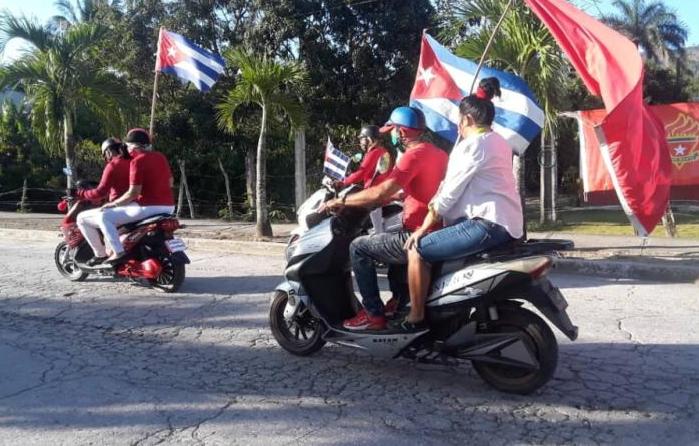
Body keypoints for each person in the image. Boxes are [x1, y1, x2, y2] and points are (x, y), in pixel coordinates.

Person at [399, 77, 523, 331]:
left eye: (459, 119)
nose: (457, 124)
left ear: (466, 119)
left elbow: (448, 195)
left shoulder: (473, 146)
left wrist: (423, 229)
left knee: (417, 249)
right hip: (505, 222)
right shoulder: (498, 142)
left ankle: (416, 315)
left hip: (486, 223)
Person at [322, 106, 448, 331]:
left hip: (418, 233)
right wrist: (398, 195)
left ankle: (373, 314)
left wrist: (339, 202)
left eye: (391, 130)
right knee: (388, 237)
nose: (388, 135)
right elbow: (420, 188)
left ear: (400, 132)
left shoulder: (411, 156)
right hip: (436, 229)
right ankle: (399, 300)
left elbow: (381, 190)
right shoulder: (438, 153)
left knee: (359, 247)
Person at [97, 128, 176, 264]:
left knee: (104, 216)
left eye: (127, 147)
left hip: (147, 207)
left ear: (132, 147)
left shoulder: (137, 161)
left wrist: (113, 204)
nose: (126, 150)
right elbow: (170, 182)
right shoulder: (160, 157)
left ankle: (118, 252)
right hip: (169, 207)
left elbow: (133, 193)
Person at [75, 137, 131, 266]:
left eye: (105, 154)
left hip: (118, 208)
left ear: (108, 152)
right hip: (136, 207)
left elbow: (100, 193)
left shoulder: (112, 165)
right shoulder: (133, 162)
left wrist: (81, 193)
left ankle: (100, 254)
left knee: (81, 218)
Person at [336, 125, 393, 189]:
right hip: (382, 189)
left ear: (369, 139)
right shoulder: (383, 151)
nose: (360, 142)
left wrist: (343, 182)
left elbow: (361, 173)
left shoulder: (374, 152)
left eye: (361, 138)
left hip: (374, 192)